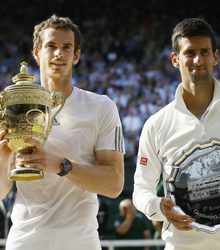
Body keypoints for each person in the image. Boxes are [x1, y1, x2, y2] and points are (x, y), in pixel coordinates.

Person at [0, 14, 124, 250]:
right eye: (51, 46)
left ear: (76, 55)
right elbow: (1, 191)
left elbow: (115, 184)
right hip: (25, 241)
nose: (59, 54)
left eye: (66, 47)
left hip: (80, 243)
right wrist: (3, 158)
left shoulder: (101, 107)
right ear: (37, 53)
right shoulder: (13, 109)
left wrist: (60, 165)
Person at [132, 18, 220, 250]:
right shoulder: (157, 124)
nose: (198, 60)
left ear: (215, 56)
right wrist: (157, 206)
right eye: (190, 52)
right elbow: (141, 188)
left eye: (204, 51)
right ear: (175, 59)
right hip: (182, 245)